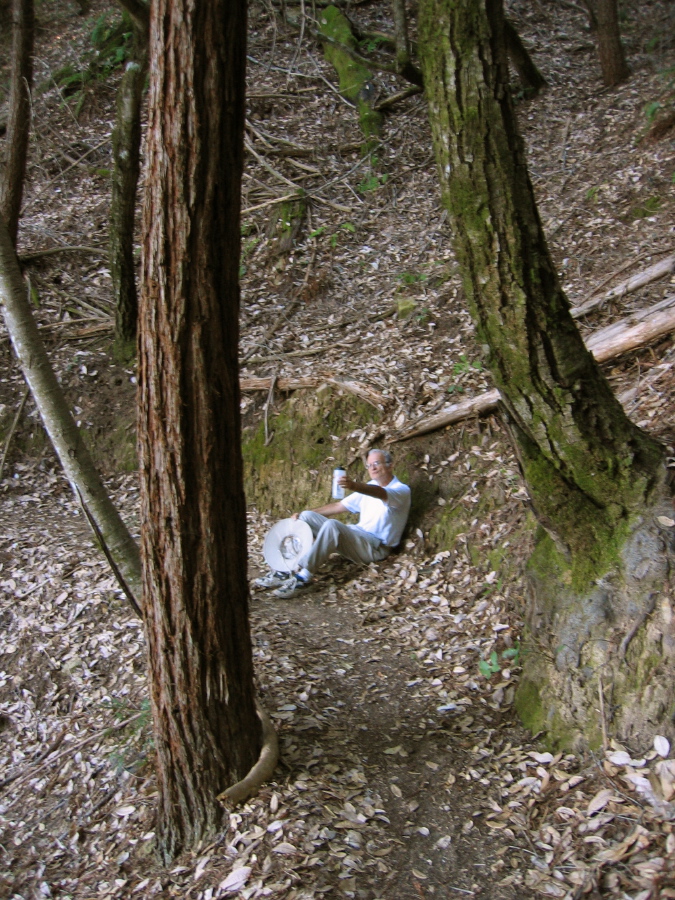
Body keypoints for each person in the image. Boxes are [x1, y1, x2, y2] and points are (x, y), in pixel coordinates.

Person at [255, 449, 411, 598]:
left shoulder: (401, 490)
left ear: (390, 465)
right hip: (356, 536)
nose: (373, 467)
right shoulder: (370, 486)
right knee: (307, 516)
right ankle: (285, 569)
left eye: (377, 463)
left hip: (375, 548)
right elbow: (338, 506)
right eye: (369, 465)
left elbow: (382, 494)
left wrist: (354, 486)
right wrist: (303, 515)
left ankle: (303, 577)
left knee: (333, 526)